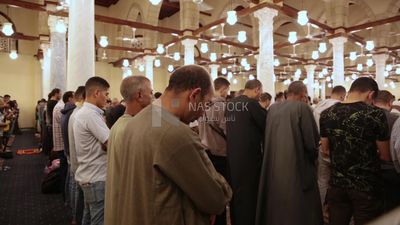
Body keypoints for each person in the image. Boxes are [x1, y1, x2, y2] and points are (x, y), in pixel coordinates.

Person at [104, 65, 231, 225]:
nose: (203, 113)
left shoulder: (138, 120)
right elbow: (216, 199)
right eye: (205, 104)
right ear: (194, 95)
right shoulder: (177, 133)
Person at [320, 77, 391, 225]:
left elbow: (325, 150)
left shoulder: (327, 114)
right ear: (370, 95)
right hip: (366, 186)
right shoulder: (375, 114)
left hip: (337, 185)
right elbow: (385, 156)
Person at [256, 81, 323, 225]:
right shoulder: (302, 108)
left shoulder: (273, 109)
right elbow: (311, 143)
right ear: (303, 95)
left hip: (274, 167)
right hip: (296, 167)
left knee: (277, 206)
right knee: (299, 208)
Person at [105, 76, 155, 225]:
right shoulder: (133, 128)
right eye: (150, 93)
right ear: (139, 95)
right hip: (130, 206)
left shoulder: (119, 124)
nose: (153, 97)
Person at [226, 79, 267, 225]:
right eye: (260, 92)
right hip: (249, 157)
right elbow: (266, 124)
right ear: (257, 89)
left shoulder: (230, 103)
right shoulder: (251, 104)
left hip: (232, 155)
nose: (260, 95)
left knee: (236, 193)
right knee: (249, 194)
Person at [74, 77, 110, 225]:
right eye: (106, 94)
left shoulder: (86, 113)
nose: (107, 98)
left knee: (88, 218)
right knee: (98, 221)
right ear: (96, 93)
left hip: (89, 175)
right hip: (96, 177)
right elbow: (111, 143)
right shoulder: (90, 114)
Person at [198, 77, 230, 225]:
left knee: (211, 190)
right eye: (227, 90)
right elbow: (226, 129)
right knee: (222, 192)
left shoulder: (203, 105)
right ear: (223, 89)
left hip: (205, 152)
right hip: (220, 152)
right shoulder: (221, 106)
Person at [313, 85, 346, 215]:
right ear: (342, 96)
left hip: (320, 147)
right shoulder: (342, 108)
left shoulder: (317, 107)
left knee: (322, 181)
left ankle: (320, 209)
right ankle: (335, 211)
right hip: (338, 150)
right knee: (338, 183)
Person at [61, 86, 85, 225]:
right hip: (75, 156)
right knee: (76, 188)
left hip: (70, 152)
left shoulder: (70, 112)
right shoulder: (77, 113)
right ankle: (76, 216)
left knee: (72, 185)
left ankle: (72, 210)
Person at [374, 90, 400, 212]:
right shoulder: (395, 119)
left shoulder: (364, 117)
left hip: (370, 170)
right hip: (391, 170)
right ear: (390, 102)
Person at [68, 86, 86, 225]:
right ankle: (76, 218)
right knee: (83, 204)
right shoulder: (81, 114)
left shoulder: (75, 113)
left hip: (76, 162)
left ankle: (75, 217)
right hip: (81, 165)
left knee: (79, 198)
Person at [53, 91, 74, 200]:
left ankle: (64, 193)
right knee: (65, 170)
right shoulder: (60, 108)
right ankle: (65, 194)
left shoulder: (62, 107)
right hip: (62, 143)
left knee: (65, 169)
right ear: (70, 98)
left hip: (62, 143)